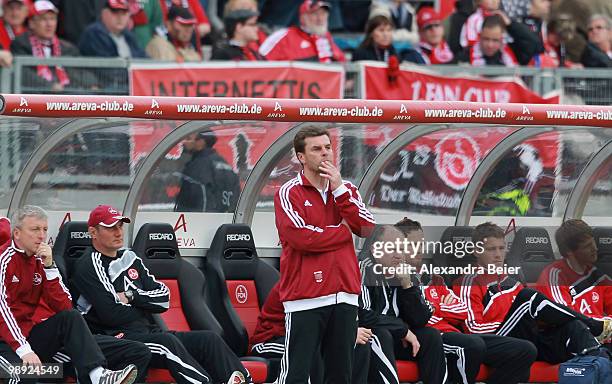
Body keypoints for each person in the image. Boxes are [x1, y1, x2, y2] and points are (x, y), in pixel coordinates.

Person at [72, 205, 251, 384]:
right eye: (111, 228)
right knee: (166, 343)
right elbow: (112, 315)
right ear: (93, 232)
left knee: (209, 339)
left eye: (120, 226)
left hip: (148, 331)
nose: (118, 232)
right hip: (119, 338)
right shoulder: (89, 264)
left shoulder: (129, 257)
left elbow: (164, 299)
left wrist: (131, 296)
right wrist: (146, 306)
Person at [273, 125, 376, 383]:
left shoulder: (347, 190)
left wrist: (339, 189)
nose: (325, 154)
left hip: (344, 296)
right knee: (297, 374)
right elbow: (301, 238)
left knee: (340, 374)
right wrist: (342, 234)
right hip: (305, 298)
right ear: (301, 157)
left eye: (328, 147)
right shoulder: (288, 192)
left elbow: (365, 228)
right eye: (316, 149)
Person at [0, 206, 140, 384]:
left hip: (27, 336)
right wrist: (24, 350)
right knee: (26, 375)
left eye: (44, 229)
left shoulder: (39, 260)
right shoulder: (3, 259)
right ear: (17, 233)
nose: (41, 235)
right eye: (35, 229)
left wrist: (50, 268)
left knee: (70, 318)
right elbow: (2, 311)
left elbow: (65, 306)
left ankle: (98, 375)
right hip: (4, 341)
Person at [393, 218, 536, 384]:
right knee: (472, 344)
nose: (419, 250)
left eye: (421, 244)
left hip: (455, 334)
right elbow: (418, 317)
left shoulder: (435, 280)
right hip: (432, 337)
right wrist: (440, 306)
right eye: (412, 245)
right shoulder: (399, 280)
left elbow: (462, 311)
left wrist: (434, 307)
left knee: (525, 349)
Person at [454, 222, 612, 365]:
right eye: (491, 249)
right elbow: (473, 329)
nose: (498, 255)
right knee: (528, 297)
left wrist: (534, 321)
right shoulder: (469, 282)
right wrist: (517, 319)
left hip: (529, 338)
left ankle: (601, 363)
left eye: (501, 248)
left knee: (573, 326)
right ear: (476, 251)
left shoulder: (514, 281)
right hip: (497, 339)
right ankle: (593, 324)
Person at [358, 224, 447, 384]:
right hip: (370, 338)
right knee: (380, 335)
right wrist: (402, 330)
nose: (398, 255)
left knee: (431, 337)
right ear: (374, 249)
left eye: (401, 249)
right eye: (392, 249)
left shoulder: (407, 273)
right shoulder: (364, 268)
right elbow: (363, 314)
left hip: (398, 339)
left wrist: (407, 285)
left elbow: (421, 319)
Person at [10, 0, 97, 91]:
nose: (49, 24)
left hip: (65, 98)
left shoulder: (67, 47)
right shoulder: (21, 44)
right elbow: (23, 73)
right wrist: (49, 86)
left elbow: (81, 70)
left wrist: (92, 83)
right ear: (31, 23)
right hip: (33, 99)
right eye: (44, 19)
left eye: (52, 19)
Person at [537, 220, 611, 325]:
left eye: (593, 242)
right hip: (569, 337)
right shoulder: (554, 276)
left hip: (596, 334)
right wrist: (604, 324)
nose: (595, 248)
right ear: (569, 252)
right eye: (587, 246)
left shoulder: (596, 275)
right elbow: (565, 316)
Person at [174, 132, 241, 213]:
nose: (184, 142)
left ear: (201, 142)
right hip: (225, 219)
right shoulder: (224, 163)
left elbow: (200, 197)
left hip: (200, 221)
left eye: (188, 139)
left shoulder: (198, 165)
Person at [259, 0, 346, 62]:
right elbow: (260, 62)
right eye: (315, 14)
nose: (320, 19)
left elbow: (342, 63)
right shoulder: (284, 36)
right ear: (303, 17)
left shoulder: (326, 37)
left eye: (323, 14)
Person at [78, 0, 147, 58]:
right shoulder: (93, 34)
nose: (120, 18)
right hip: (104, 74)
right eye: (115, 13)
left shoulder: (128, 36)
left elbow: (144, 58)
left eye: (123, 13)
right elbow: (105, 68)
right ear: (104, 14)